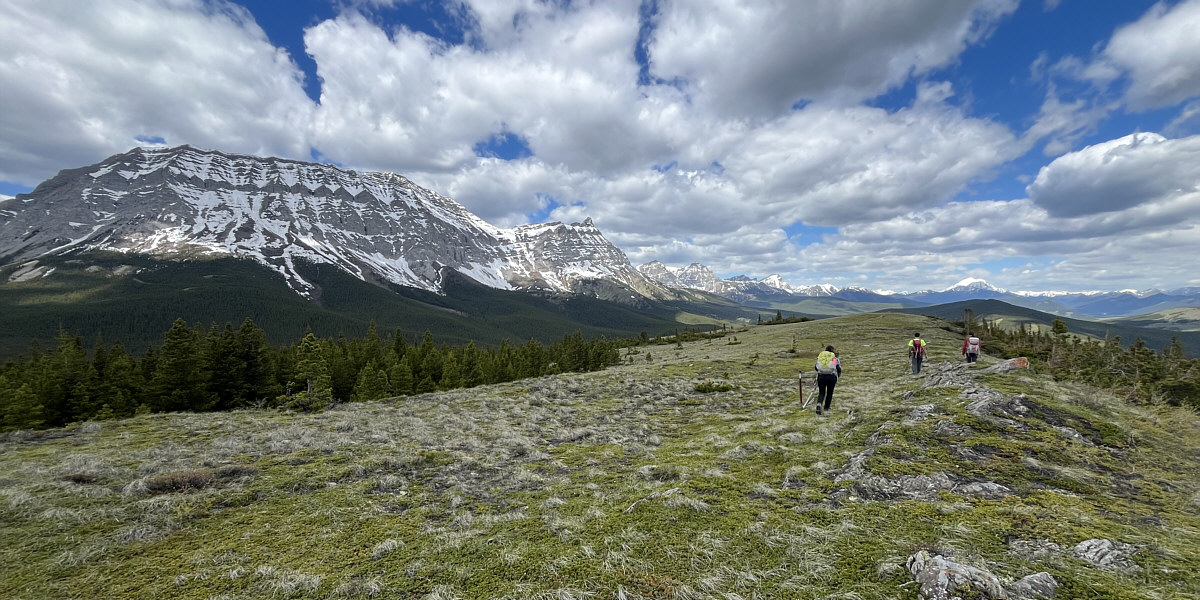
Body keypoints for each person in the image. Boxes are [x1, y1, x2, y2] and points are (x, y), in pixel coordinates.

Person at [813, 345, 841, 416]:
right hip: (831, 377)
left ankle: (819, 403)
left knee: (821, 392)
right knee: (829, 393)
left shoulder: (821, 356)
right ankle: (826, 407)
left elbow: (816, 367)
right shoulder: (834, 357)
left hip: (821, 377)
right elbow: (837, 367)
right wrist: (839, 374)